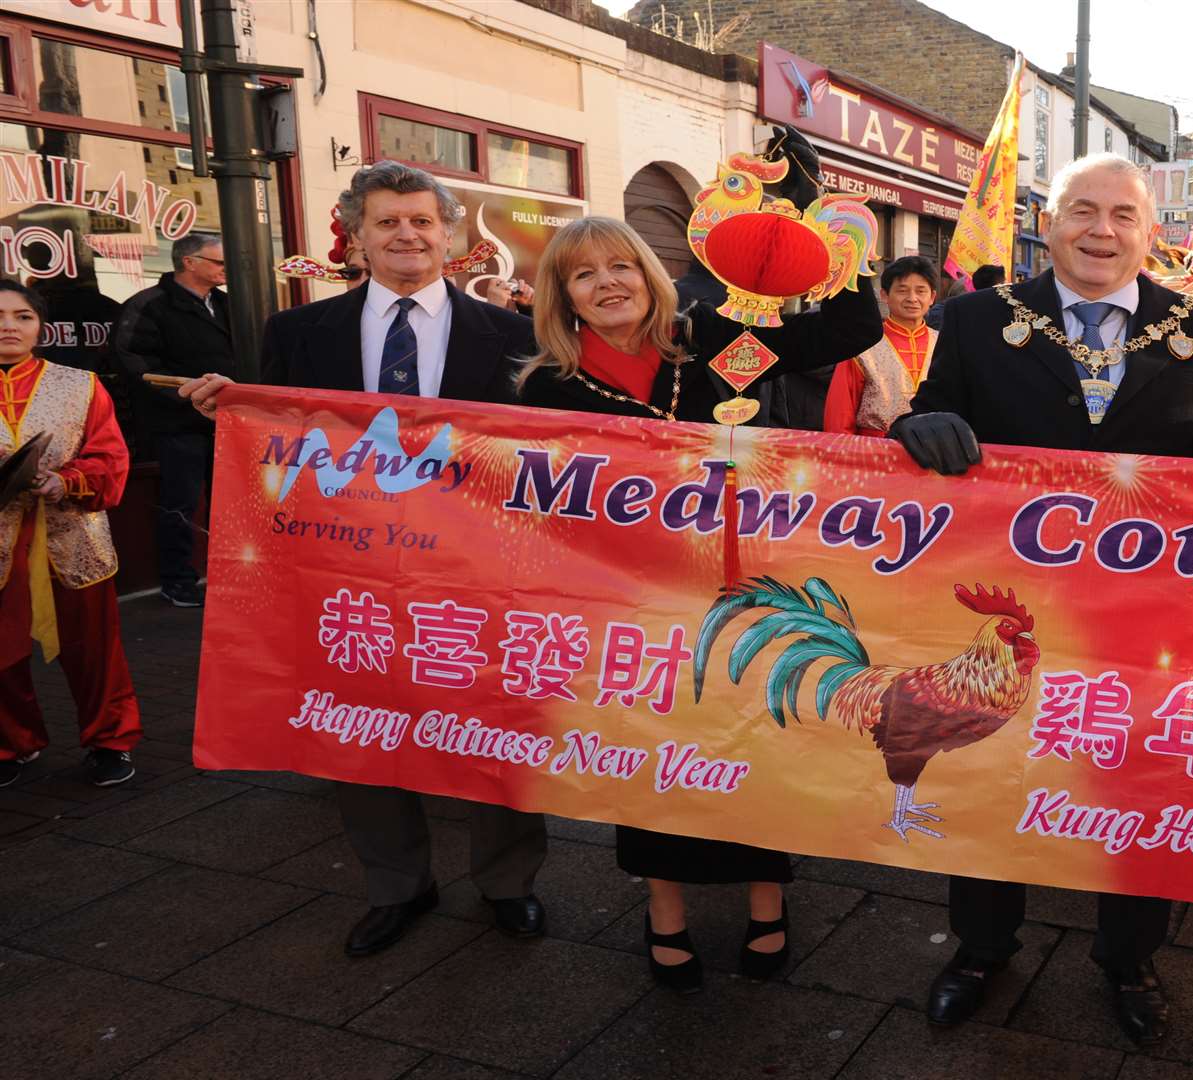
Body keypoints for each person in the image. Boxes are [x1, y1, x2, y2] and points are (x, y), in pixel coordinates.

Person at [895, 152, 1193, 1046]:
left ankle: (1129, 958)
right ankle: (981, 948)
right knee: (985, 765)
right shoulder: (977, 319)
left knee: (1137, 780)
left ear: (1151, 230)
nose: (1102, 231)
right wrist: (917, 426)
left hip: (1145, 619)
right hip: (1003, 612)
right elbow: (932, 415)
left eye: (1123, 215)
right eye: (1082, 211)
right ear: (1047, 223)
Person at [182, 161, 548, 957]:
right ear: (356, 236)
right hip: (347, 574)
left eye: (421, 220)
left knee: (496, 723)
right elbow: (270, 448)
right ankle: (398, 886)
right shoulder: (298, 334)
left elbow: (560, 456)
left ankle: (508, 882)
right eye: (387, 222)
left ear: (450, 234)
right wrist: (229, 404)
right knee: (364, 728)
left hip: (481, 576)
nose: (406, 235)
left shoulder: (518, 337)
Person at [514, 200, 880, 993]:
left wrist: (819, 223)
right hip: (624, 607)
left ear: (648, 275)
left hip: (735, 593)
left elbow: (847, 329)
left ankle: (765, 901)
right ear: (562, 295)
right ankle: (665, 913)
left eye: (620, 265)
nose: (607, 283)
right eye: (584, 275)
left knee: (754, 743)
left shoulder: (710, 347)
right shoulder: (546, 383)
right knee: (652, 761)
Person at [0, 281, 140, 790]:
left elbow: (110, 458)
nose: (9, 327)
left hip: (73, 535)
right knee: (1, 655)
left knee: (95, 648)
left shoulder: (80, 384)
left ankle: (110, 740)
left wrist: (67, 480)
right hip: (3, 544)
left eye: (22, 317)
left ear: (41, 326)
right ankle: (12, 743)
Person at [109, 233, 233, 608]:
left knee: (229, 502)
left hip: (227, 421)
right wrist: (182, 394)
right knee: (180, 502)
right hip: (176, 423)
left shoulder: (228, 304)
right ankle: (177, 580)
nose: (226, 270)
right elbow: (132, 360)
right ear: (189, 262)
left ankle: (228, 574)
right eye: (218, 262)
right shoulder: (150, 304)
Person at [822, 254, 939, 435]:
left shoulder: (945, 343)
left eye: (921, 291)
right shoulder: (863, 344)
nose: (912, 298)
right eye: (902, 290)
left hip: (935, 450)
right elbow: (840, 412)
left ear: (932, 297)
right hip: (872, 451)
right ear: (884, 295)